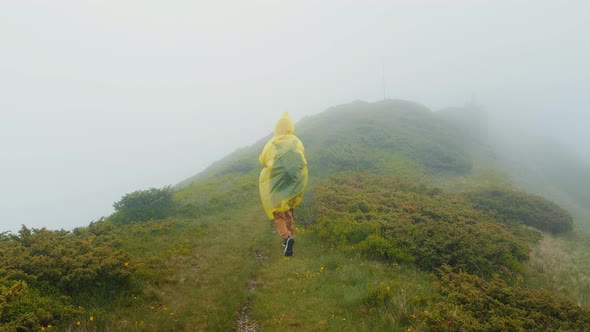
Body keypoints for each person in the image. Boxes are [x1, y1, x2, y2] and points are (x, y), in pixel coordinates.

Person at [258, 112, 308, 257]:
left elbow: (263, 159)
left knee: (277, 211)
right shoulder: (296, 141)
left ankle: (286, 238)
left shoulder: (272, 142)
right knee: (289, 208)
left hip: (277, 181)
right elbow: (301, 157)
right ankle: (291, 235)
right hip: (293, 180)